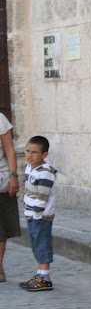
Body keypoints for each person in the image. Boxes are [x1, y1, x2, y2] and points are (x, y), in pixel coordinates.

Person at [18, 136, 57, 292]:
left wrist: (37, 212)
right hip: (30, 213)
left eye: (34, 152)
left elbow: (43, 196)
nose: (30, 155)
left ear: (44, 155)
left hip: (41, 215)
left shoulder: (46, 172)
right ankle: (39, 274)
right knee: (35, 244)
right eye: (27, 151)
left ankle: (45, 278)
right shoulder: (30, 167)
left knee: (42, 244)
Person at [0, 112, 20, 283]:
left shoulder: (0, 119)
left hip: (0, 179)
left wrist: (13, 176)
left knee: (0, 228)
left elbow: (9, 150)